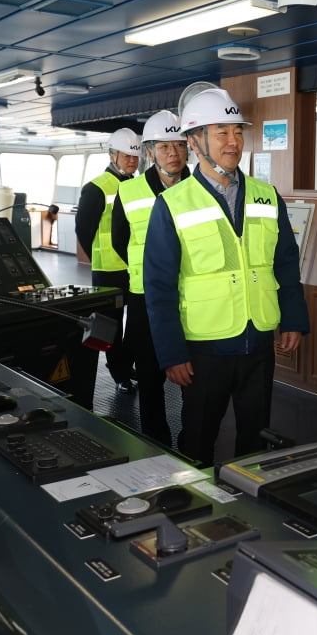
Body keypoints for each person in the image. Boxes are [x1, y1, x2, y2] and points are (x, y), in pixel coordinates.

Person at [143, 88, 309, 466]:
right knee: (198, 438)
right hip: (205, 348)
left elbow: (285, 262)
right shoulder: (172, 204)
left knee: (255, 438)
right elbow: (158, 286)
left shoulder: (267, 195)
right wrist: (172, 353)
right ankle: (193, 511)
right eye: (221, 132)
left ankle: (251, 510)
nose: (233, 142)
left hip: (258, 343)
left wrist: (293, 319)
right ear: (195, 140)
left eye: (237, 131)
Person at [111, 111, 190, 446]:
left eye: (179, 145)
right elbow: (118, 240)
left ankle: (192, 444)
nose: (173, 152)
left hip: (192, 295)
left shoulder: (200, 189)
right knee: (149, 371)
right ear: (150, 152)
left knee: (193, 376)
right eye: (164, 146)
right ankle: (155, 441)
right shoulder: (128, 193)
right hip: (144, 297)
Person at [76, 127, 140, 396]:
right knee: (110, 325)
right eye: (127, 156)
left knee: (136, 324)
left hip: (135, 269)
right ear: (112, 154)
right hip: (108, 271)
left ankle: (127, 365)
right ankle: (119, 374)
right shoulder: (96, 188)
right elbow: (84, 230)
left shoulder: (138, 186)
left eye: (136, 157)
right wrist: (98, 260)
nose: (132, 162)